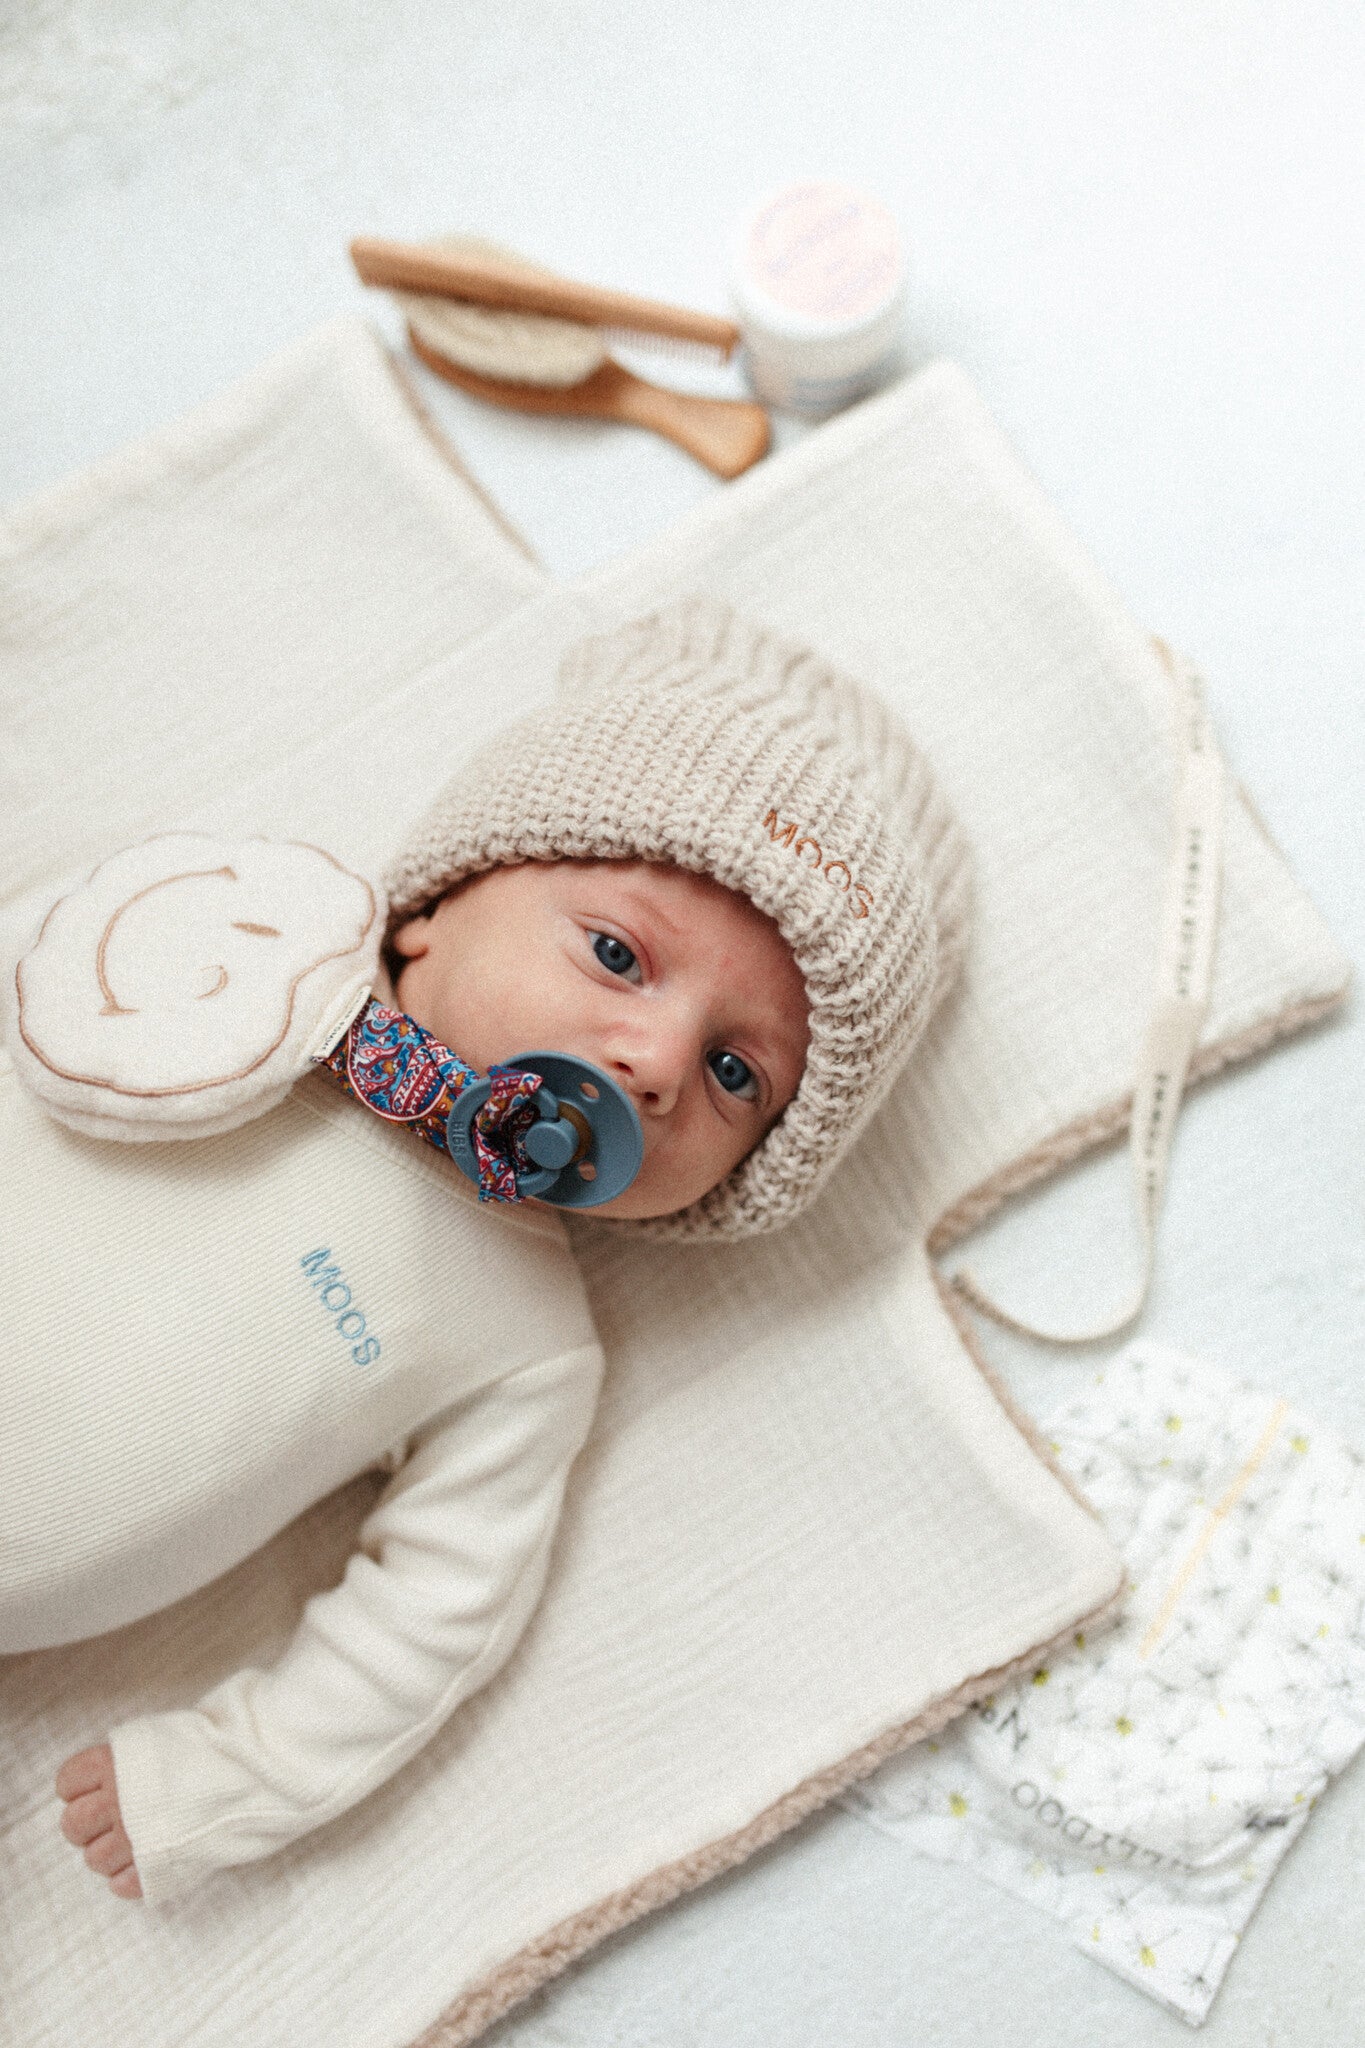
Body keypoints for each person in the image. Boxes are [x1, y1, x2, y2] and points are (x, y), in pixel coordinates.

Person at [7, 597, 969, 1903]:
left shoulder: (521, 1342)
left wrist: (238, 1772)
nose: (653, 1062)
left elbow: (433, 1618)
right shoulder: (227, 943)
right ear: (432, 909)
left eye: (737, 1071)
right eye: (618, 953)